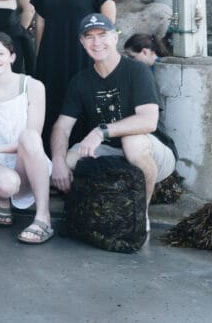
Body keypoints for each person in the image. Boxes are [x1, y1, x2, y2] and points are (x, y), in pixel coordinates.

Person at [51, 14, 176, 229]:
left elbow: (149, 121)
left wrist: (101, 131)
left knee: (131, 142)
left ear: (115, 37)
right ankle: (99, 210)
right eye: (89, 37)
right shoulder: (80, 81)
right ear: (82, 42)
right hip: (110, 151)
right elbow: (62, 126)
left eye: (102, 35)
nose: (96, 42)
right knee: (66, 163)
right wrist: (57, 161)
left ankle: (140, 216)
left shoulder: (137, 70)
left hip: (153, 152)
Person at [32, 0, 115, 145]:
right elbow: (40, 22)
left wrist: (104, 57)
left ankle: (83, 158)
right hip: (51, 57)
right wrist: (40, 57)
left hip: (84, 57)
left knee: (83, 105)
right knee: (51, 107)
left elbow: (109, 23)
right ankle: (50, 159)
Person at [0, 32, 53, 244]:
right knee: (7, 183)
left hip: (27, 159)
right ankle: (2, 199)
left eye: (0, 53)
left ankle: (43, 217)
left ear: (12, 57)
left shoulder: (33, 86)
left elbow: (33, 136)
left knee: (30, 137)